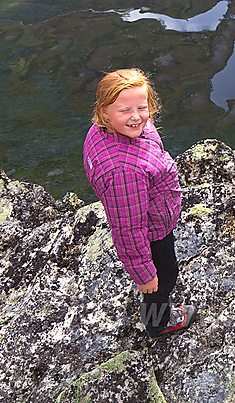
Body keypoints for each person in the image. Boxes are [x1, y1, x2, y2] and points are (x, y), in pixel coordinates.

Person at [83, 68, 196, 338]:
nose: (136, 117)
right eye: (125, 110)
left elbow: (144, 131)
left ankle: (154, 306)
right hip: (154, 232)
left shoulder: (111, 130)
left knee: (160, 278)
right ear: (103, 111)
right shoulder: (123, 171)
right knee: (163, 278)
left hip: (153, 212)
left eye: (142, 107)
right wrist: (144, 274)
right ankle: (159, 323)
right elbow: (128, 229)